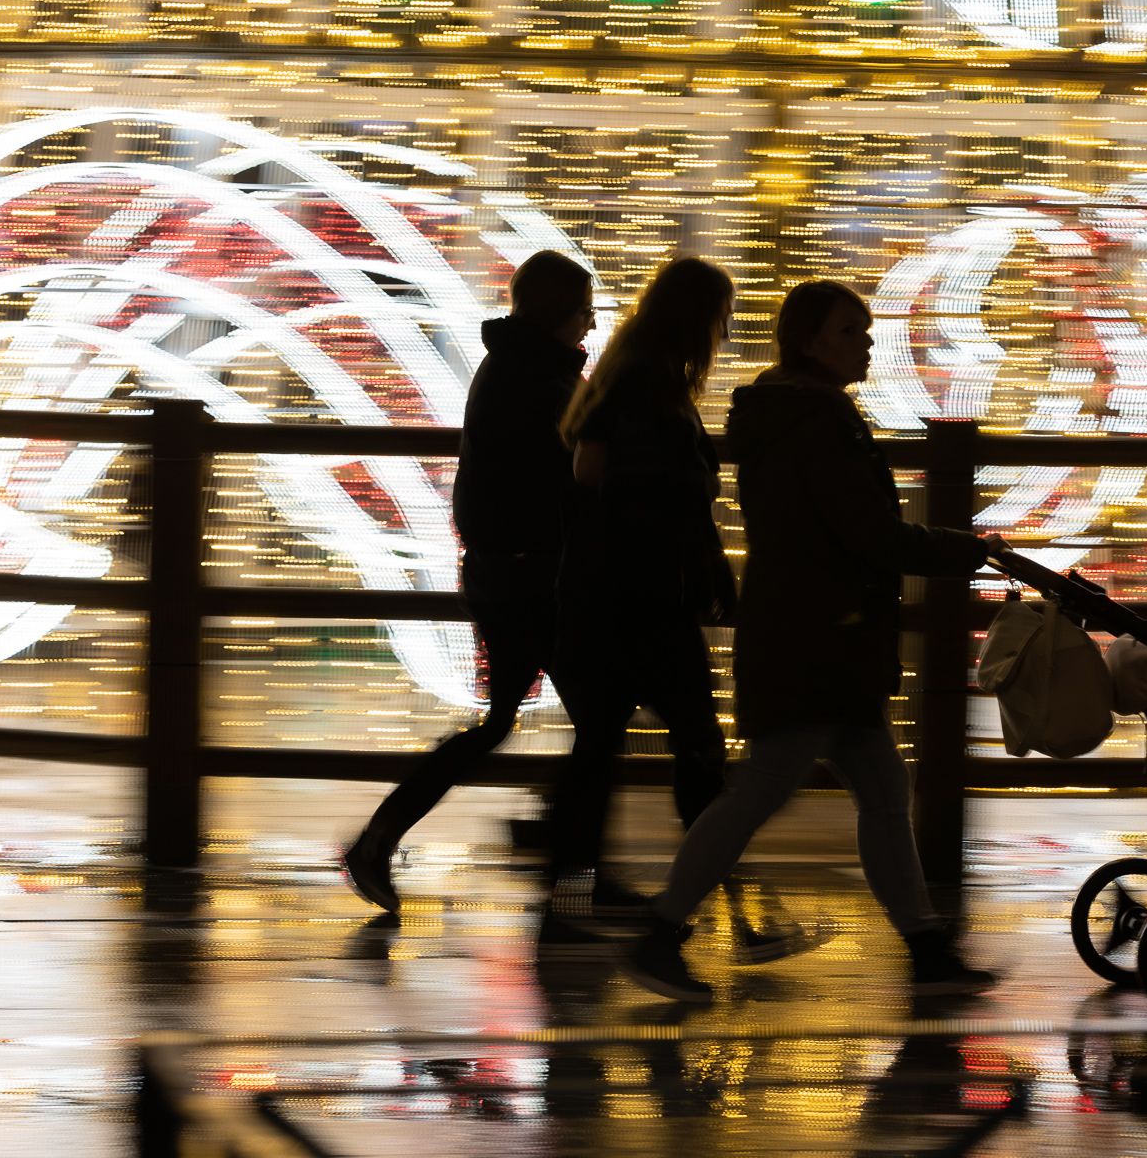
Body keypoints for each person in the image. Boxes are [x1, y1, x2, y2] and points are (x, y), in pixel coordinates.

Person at [624, 279, 1003, 1003]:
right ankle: (661, 932)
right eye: (849, 334)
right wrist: (959, 548)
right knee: (765, 789)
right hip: (820, 638)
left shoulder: (786, 413)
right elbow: (866, 534)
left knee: (878, 789)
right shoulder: (819, 422)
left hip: (807, 632)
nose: (864, 345)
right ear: (809, 342)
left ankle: (926, 949)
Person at [545, 256, 798, 952]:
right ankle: (726, 906)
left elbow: (596, 472)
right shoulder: (649, 385)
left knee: (609, 747)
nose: (722, 331)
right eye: (720, 316)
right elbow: (642, 486)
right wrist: (702, 561)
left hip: (614, 595)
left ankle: (575, 898)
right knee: (696, 745)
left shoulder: (634, 377)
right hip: (642, 599)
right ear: (698, 318)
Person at [343, 250, 596, 914]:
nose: (591, 326)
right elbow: (562, 479)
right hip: (533, 576)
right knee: (593, 717)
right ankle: (565, 858)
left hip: (509, 572)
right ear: (560, 316)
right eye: (583, 312)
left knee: (509, 721)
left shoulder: (514, 367)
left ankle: (385, 838)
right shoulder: (538, 378)